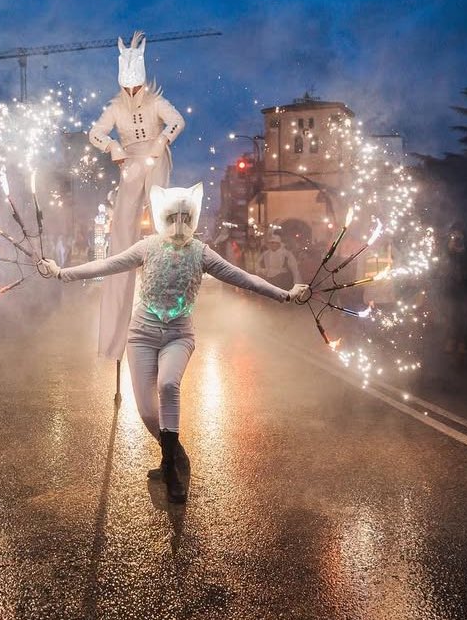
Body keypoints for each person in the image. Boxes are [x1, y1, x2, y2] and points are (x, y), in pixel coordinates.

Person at [37, 184, 309, 504]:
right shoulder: (147, 247)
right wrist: (60, 274)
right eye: (173, 216)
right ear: (161, 216)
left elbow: (242, 277)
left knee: (168, 385)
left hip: (179, 334)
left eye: (185, 216)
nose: (179, 223)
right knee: (147, 411)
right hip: (141, 335)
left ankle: (172, 472)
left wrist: (286, 294)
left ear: (192, 217)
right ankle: (174, 453)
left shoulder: (201, 252)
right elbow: (107, 265)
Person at [87, 30, 186, 361]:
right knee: (124, 217)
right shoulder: (115, 108)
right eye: (127, 88)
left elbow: (177, 121)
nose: (132, 93)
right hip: (130, 160)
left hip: (155, 157)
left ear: (143, 83)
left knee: (159, 205)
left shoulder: (156, 101)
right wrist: (112, 145)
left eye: (136, 87)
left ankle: (166, 249)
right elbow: (95, 132)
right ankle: (122, 260)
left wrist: (161, 142)